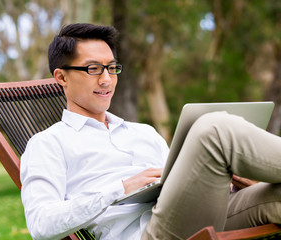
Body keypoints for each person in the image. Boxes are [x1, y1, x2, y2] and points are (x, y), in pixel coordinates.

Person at [20, 23, 281, 240]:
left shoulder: (143, 132)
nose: (106, 79)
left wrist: (231, 184)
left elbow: (180, 191)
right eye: (93, 69)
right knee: (212, 128)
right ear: (61, 77)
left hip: (190, 220)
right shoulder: (47, 144)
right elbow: (41, 225)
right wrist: (121, 188)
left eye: (111, 67)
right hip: (146, 233)